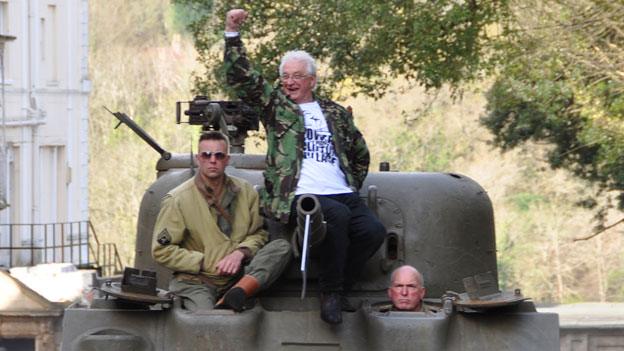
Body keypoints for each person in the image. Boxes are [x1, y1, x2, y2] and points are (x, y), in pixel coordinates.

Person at [224, 9, 386, 325]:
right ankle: (329, 292)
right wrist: (232, 33)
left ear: (312, 80)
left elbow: (360, 152)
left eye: (297, 76)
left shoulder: (336, 113)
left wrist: (350, 182)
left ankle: (341, 286)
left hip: (342, 192)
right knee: (334, 216)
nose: (289, 82)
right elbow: (242, 77)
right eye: (285, 76)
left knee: (372, 231)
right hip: (302, 195)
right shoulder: (277, 108)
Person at [152, 131, 291, 312]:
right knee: (209, 323)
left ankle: (238, 292)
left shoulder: (246, 191)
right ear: (198, 159)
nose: (213, 160)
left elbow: (258, 233)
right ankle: (224, 304)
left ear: (227, 159)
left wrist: (240, 253)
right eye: (206, 155)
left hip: (238, 277)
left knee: (281, 247)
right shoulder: (178, 200)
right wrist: (204, 262)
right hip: (197, 282)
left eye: (219, 155)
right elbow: (162, 250)